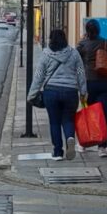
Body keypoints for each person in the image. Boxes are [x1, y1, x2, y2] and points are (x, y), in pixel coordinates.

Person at [28, 29, 87, 161]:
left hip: (51, 92)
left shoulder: (46, 54)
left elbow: (39, 75)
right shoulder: (74, 53)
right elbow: (81, 73)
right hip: (71, 92)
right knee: (68, 119)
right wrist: (83, 92)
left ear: (51, 40)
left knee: (54, 122)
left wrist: (32, 93)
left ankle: (57, 152)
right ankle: (70, 138)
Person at [76, 19, 107, 157]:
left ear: (86, 30)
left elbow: (74, 61)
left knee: (87, 113)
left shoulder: (82, 45)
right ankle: (102, 147)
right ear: (99, 30)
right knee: (103, 115)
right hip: (106, 84)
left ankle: (83, 143)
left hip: (88, 84)